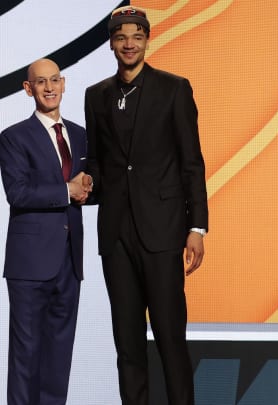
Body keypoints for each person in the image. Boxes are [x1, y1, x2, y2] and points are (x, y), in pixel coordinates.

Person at [84, 6, 209, 405]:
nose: (128, 44)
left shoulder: (174, 89)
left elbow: (192, 162)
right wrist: (86, 184)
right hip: (116, 235)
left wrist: (197, 227)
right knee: (127, 345)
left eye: (136, 37)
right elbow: (100, 163)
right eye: (121, 38)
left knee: (171, 339)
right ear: (111, 43)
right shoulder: (96, 95)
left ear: (147, 40)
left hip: (163, 231)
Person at [0, 58, 91, 405]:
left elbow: (85, 189)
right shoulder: (14, 137)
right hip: (29, 266)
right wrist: (67, 189)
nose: (50, 88)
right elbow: (17, 193)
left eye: (55, 80)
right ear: (29, 89)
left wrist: (87, 187)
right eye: (41, 82)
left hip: (69, 262)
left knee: (58, 358)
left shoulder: (81, 136)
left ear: (64, 83)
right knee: (26, 358)